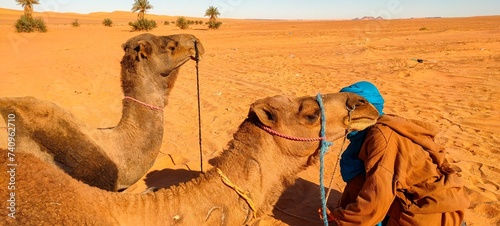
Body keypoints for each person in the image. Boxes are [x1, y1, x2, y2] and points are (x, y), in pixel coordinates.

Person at [322, 81, 470, 225]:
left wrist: (341, 217)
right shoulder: (370, 133)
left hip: (427, 214)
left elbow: (378, 195)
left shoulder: (381, 136)